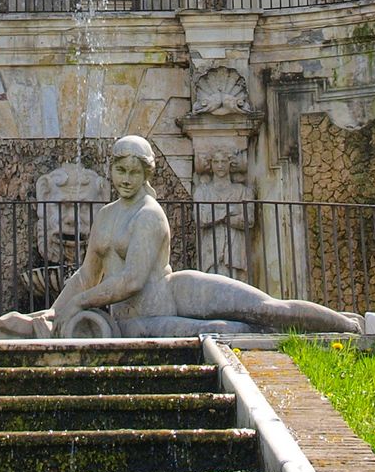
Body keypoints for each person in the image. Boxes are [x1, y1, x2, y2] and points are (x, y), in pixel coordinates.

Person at [50, 136, 358, 337]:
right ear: (112, 170)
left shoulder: (149, 214)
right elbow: (87, 275)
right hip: (139, 321)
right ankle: (312, 331)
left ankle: (348, 325)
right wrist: (56, 312)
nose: (126, 179)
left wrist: (80, 302)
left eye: (134, 172)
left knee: (266, 308)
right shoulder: (106, 215)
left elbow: (133, 280)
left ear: (147, 174)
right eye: (120, 170)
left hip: (174, 292)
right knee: (231, 329)